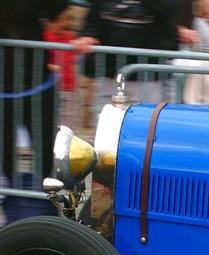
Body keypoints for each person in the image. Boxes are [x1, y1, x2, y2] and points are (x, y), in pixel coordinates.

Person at [1, 0, 68, 224]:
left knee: (46, 150)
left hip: (37, 82)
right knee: (5, 152)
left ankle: (50, 211)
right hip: (5, 86)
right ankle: (13, 216)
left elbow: (58, 11)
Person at [72, 0, 179, 113]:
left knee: (144, 121)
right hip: (109, 74)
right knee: (107, 120)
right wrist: (88, 36)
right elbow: (93, 21)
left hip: (147, 77)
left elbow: (169, 14)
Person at [44, 7, 80, 129]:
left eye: (69, 20)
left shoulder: (70, 38)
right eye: (63, 20)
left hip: (69, 87)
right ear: (52, 22)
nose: (67, 24)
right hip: (52, 88)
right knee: (52, 122)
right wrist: (50, 67)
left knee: (68, 124)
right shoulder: (46, 37)